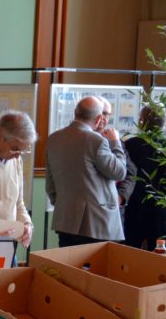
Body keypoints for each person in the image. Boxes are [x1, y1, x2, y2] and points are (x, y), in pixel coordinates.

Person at [45, 95, 127, 247]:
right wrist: (115, 142)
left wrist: (63, 204)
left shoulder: (53, 139)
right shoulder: (96, 141)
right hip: (97, 224)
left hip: (66, 221)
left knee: (69, 268)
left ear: (75, 113)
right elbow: (119, 172)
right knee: (94, 270)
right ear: (98, 119)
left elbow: (50, 182)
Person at [122, 106, 166, 250]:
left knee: (129, 258)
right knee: (162, 257)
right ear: (163, 123)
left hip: (134, 212)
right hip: (164, 213)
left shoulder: (130, 145)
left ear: (141, 122)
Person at [0, 110, 37, 248]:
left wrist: (27, 224)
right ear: (0, 134)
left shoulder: (16, 160)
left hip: (7, 244)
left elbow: (18, 203)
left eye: (24, 150)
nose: (18, 156)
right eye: (15, 148)